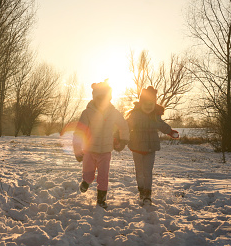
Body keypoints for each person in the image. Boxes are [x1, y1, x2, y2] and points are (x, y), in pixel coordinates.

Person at [73, 81, 129, 209]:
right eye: (99, 98)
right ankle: (86, 182)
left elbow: (124, 125)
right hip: (89, 150)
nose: (102, 101)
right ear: (94, 98)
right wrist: (77, 150)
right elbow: (79, 132)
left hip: (105, 151)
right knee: (89, 175)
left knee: (103, 176)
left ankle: (101, 200)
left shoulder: (113, 112)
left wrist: (124, 140)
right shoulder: (87, 113)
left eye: (105, 98)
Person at [126, 86, 179, 206]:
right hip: (136, 146)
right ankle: (141, 190)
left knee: (148, 171)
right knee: (139, 171)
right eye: (146, 102)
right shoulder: (135, 114)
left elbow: (161, 125)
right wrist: (118, 136)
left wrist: (170, 132)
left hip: (150, 147)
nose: (149, 105)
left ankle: (147, 195)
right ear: (141, 101)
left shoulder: (155, 115)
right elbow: (127, 125)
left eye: (152, 102)